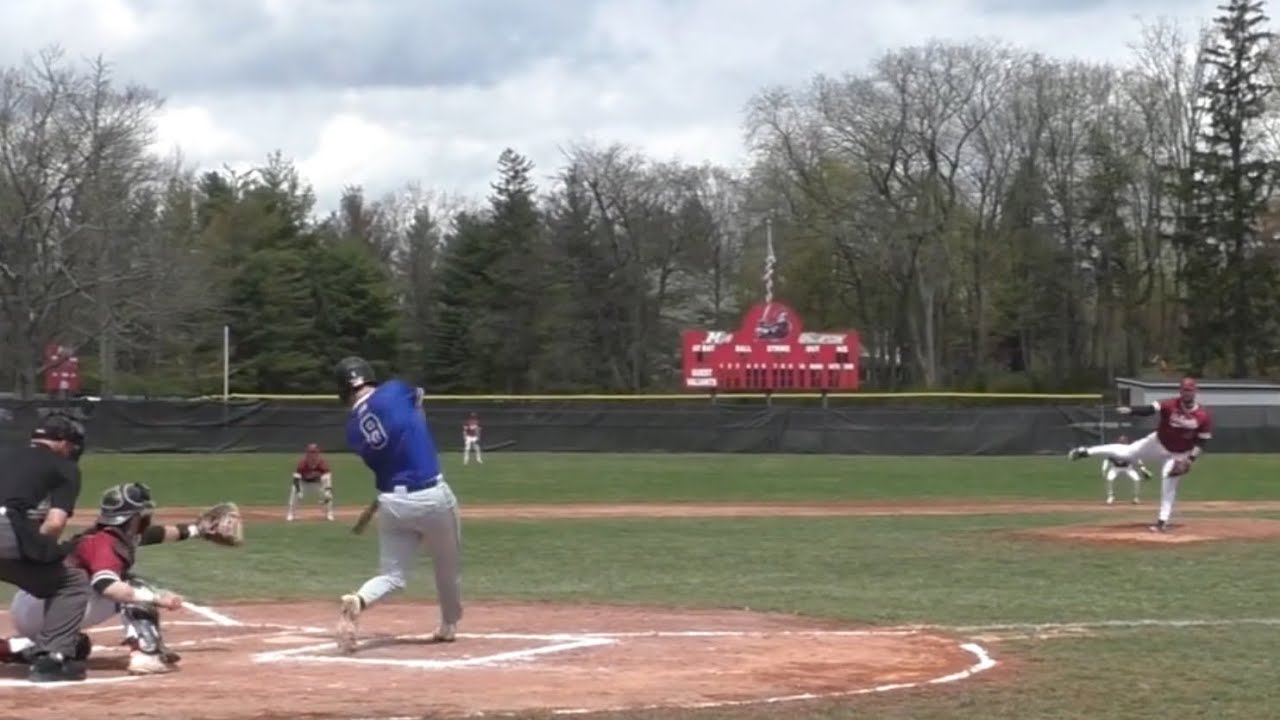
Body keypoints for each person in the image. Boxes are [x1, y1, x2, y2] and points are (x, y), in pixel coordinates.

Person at [332, 356, 462, 654]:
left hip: (391, 501)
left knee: (392, 576)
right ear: (369, 376)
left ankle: (360, 599)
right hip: (431, 494)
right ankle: (448, 625)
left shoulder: (352, 429)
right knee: (447, 567)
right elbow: (418, 402)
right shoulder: (393, 390)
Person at [1, 483, 190, 675]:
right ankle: (146, 654)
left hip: (31, 605)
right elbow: (107, 586)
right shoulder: (105, 543)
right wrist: (158, 598)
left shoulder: (103, 535)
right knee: (134, 588)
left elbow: (154, 535)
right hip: (52, 606)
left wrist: (196, 530)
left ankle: (10, 648)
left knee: (78, 647)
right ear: (134, 518)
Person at [0, 412, 92, 682]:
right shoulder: (64, 468)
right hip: (5, 531)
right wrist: (42, 551)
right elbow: (54, 524)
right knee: (70, 582)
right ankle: (50, 659)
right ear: (62, 442)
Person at [1069, 377, 1212, 532]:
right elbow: (1150, 409)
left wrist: (1190, 460)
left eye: (1189, 390)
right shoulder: (1170, 404)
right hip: (1157, 442)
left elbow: (1202, 441)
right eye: (1184, 389)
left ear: (1195, 392)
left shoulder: (1203, 415)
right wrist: (1132, 410)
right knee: (1127, 453)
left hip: (1178, 455)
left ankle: (1162, 522)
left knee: (1168, 484)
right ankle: (1086, 451)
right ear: (1180, 391)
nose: (1187, 392)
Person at [289, 443, 335, 522]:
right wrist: (299, 490)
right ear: (307, 453)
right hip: (304, 483)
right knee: (294, 491)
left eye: (314, 452)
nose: (312, 455)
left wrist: (327, 490)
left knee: (328, 495)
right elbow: (296, 479)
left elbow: (327, 477)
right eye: (311, 452)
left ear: (318, 453)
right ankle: (291, 513)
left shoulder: (322, 463)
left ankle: (329, 513)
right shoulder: (302, 463)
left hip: (317, 483)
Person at [1101, 435, 1152, 505]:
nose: (1122, 443)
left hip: (1128, 468)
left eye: (1123, 442)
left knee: (1137, 479)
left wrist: (1143, 469)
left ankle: (1136, 498)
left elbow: (1137, 460)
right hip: (1115, 468)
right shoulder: (1113, 450)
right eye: (1121, 442)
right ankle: (1110, 496)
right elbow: (1106, 459)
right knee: (1109, 479)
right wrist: (1104, 469)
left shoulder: (1130, 450)